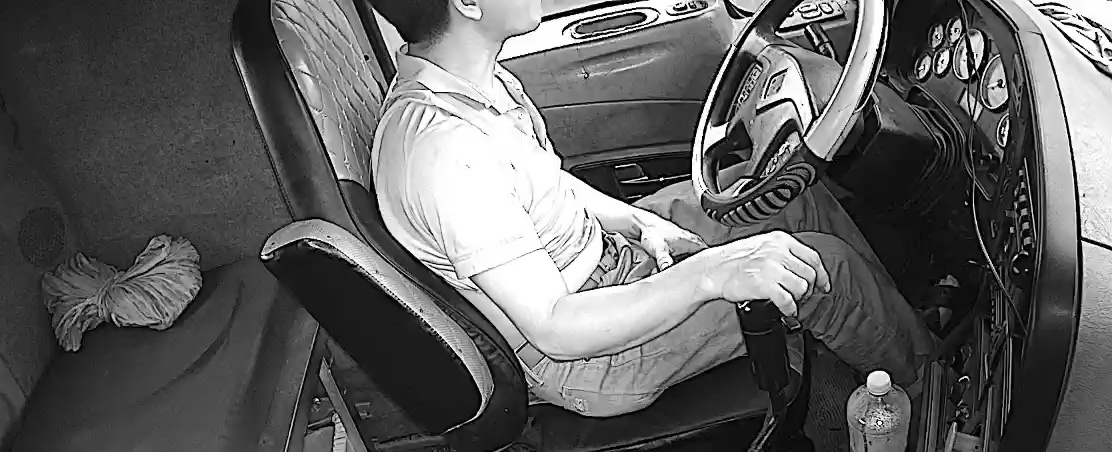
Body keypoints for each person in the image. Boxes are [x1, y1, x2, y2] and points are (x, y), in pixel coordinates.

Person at [369, 0, 933, 417]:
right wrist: (709, 274)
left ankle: (896, 327)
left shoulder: (472, 83)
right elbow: (555, 328)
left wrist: (637, 221)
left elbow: (547, 183)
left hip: (603, 261)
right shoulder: (447, 154)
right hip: (591, 354)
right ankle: (926, 396)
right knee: (822, 271)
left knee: (789, 196)